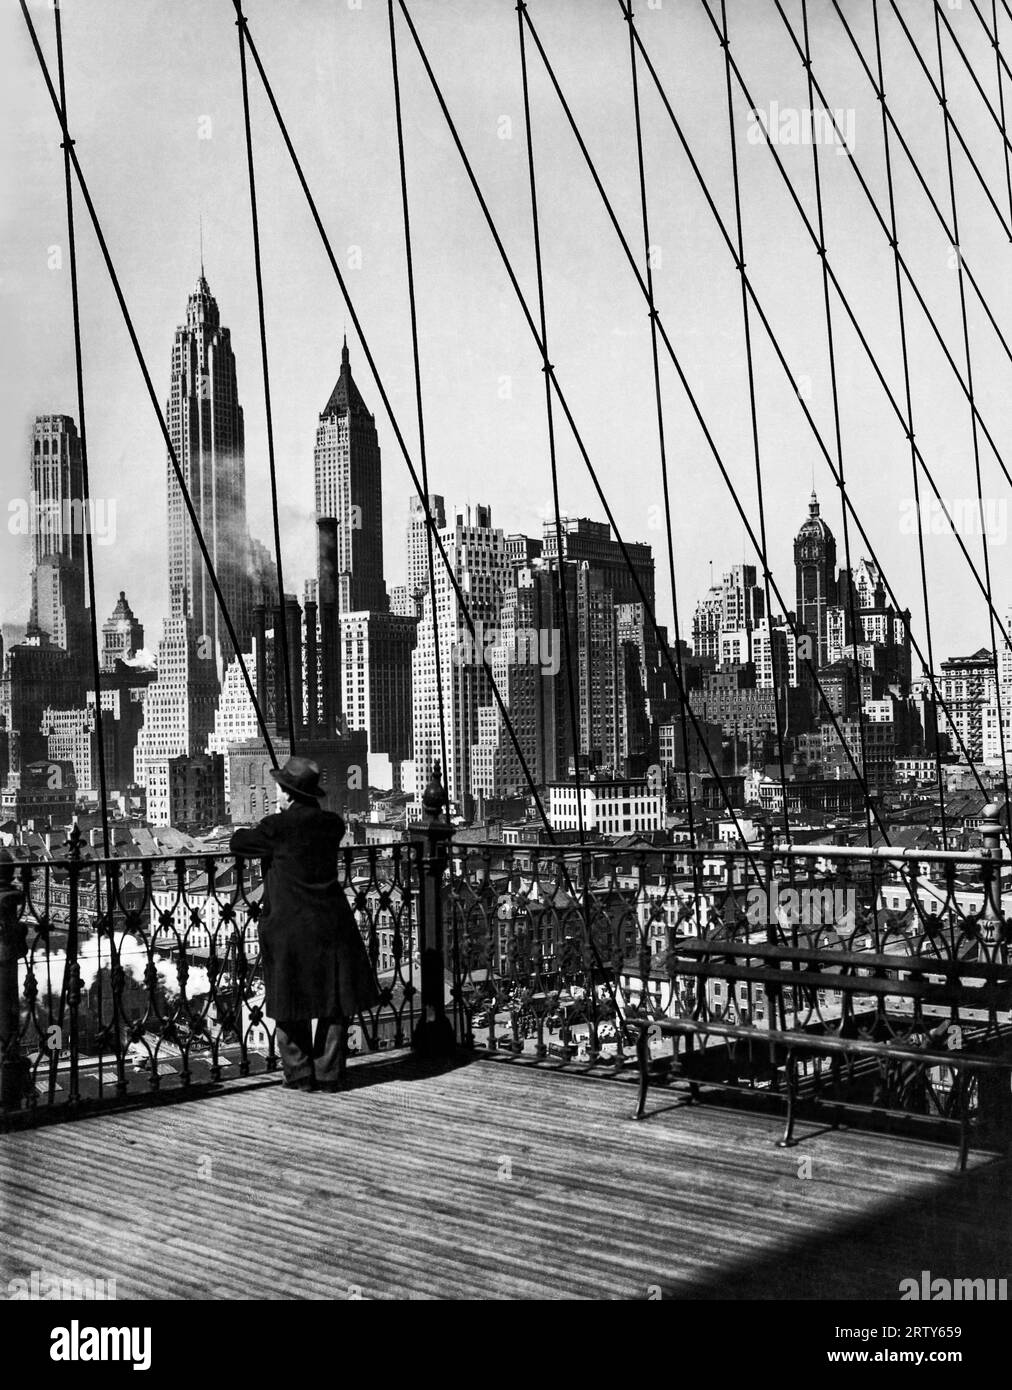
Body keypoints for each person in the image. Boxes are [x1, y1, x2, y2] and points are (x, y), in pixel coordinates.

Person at [229, 756, 380, 1092]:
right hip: (331, 922)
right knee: (334, 1001)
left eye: (279, 790)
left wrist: (266, 828)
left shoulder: (275, 828)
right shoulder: (332, 825)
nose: (275, 797)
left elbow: (238, 843)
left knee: (290, 1001)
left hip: (289, 927)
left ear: (289, 794)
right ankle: (329, 1074)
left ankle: (298, 1074)